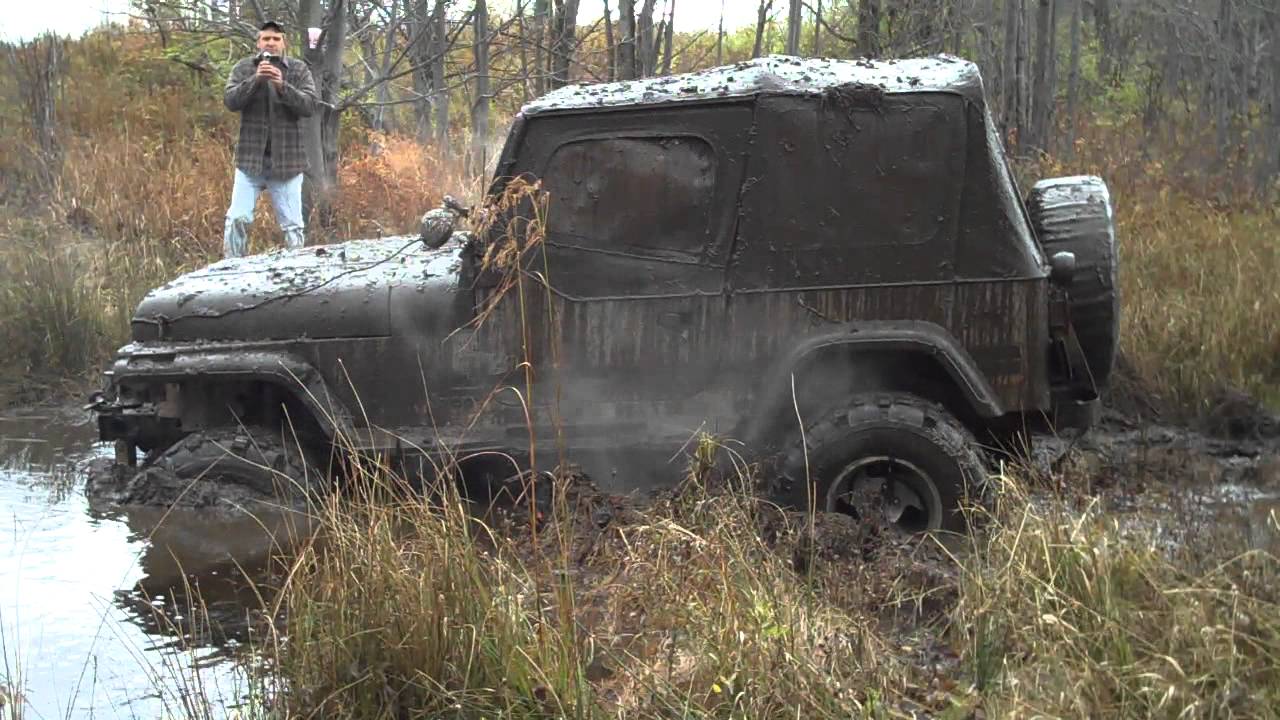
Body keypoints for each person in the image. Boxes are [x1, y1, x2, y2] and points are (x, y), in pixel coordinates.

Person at [221, 20, 319, 258]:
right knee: (237, 219)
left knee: (293, 227)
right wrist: (255, 81)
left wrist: (281, 85)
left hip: (287, 164)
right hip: (250, 162)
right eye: (266, 38)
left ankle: (297, 277)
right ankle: (232, 271)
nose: (271, 43)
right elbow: (231, 101)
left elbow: (309, 106)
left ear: (283, 42)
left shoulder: (297, 70)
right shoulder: (244, 67)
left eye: (276, 39)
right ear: (258, 42)